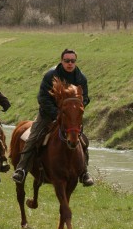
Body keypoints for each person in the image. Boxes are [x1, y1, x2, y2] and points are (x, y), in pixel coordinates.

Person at [11, 49, 94, 186]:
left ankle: (84, 172)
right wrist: (57, 114)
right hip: (48, 115)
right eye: (67, 61)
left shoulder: (81, 78)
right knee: (33, 138)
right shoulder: (51, 75)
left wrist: (76, 109)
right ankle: (21, 169)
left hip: (70, 117)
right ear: (61, 61)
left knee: (83, 140)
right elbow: (42, 98)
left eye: (73, 61)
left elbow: (85, 98)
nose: (70, 63)